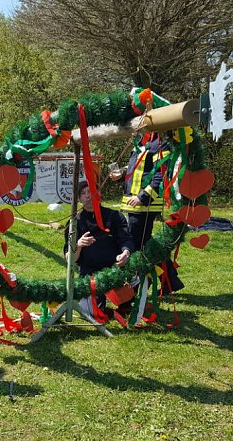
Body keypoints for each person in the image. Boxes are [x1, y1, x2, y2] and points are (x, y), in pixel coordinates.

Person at [112, 132, 184, 294]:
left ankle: (139, 284)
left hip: (145, 205)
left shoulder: (161, 143)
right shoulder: (141, 141)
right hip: (134, 205)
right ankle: (171, 281)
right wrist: (123, 172)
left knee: (137, 246)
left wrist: (143, 197)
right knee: (146, 244)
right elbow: (139, 167)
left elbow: (162, 174)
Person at [64, 181, 134, 314]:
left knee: (127, 304)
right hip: (90, 275)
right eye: (83, 193)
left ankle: (124, 299)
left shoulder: (115, 216)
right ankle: (103, 307)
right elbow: (70, 260)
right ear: (79, 199)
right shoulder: (74, 223)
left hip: (114, 271)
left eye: (91, 192)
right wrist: (78, 245)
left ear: (99, 194)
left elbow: (126, 239)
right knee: (89, 313)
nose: (88, 196)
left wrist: (126, 252)